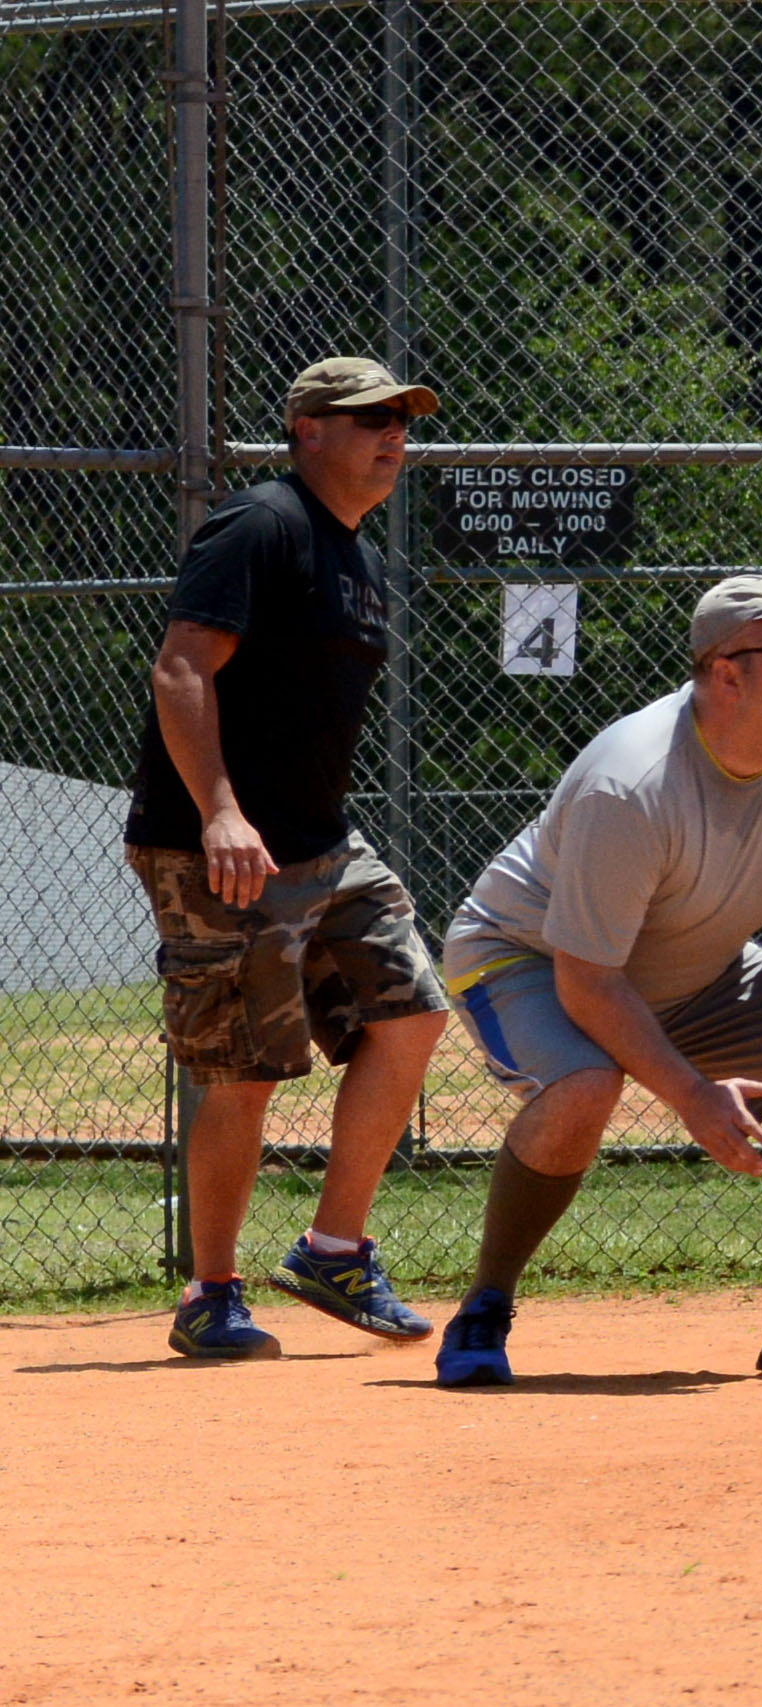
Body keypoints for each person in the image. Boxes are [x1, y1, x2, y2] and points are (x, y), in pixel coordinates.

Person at [431, 574, 762, 1386]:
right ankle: (485, 1305)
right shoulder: (632, 783)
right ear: (726, 672)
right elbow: (590, 981)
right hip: (527, 957)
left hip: (692, 967)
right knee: (586, 1084)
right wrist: (696, 1095)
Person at [129, 356, 450, 1359]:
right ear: (308, 429)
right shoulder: (258, 526)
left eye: (401, 419)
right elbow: (181, 667)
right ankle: (210, 1293)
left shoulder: (355, 553)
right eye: (369, 419)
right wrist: (220, 812)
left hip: (318, 842)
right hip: (216, 848)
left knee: (412, 1013)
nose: (393, 434)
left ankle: (333, 1249)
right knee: (246, 1071)